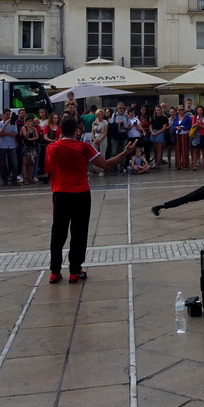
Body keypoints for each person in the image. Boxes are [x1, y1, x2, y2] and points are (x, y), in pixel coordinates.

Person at [46, 117, 137, 284]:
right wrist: (125, 152)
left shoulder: (51, 148)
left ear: (60, 130)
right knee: (79, 232)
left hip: (59, 193)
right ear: (77, 130)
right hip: (80, 193)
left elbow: (49, 169)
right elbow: (106, 165)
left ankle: (54, 271)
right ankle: (75, 270)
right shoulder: (84, 147)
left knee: (58, 232)